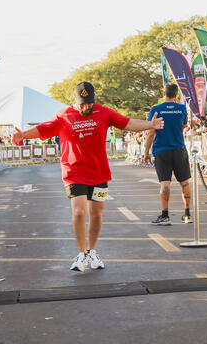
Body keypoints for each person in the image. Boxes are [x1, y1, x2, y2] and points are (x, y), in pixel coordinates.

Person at [12, 81, 164, 272]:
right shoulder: (64, 115)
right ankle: (81, 253)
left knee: (96, 214)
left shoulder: (104, 112)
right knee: (79, 212)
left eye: (89, 103)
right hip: (74, 172)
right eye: (82, 104)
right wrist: (23, 135)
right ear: (75, 101)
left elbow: (127, 123)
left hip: (99, 172)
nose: (86, 107)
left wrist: (150, 124)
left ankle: (92, 251)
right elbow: (43, 128)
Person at [143, 83, 192, 225]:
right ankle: (187, 214)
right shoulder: (182, 108)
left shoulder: (156, 109)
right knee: (184, 182)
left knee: (165, 183)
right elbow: (183, 126)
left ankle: (165, 215)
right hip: (179, 149)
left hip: (162, 149)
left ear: (164, 93)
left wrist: (146, 152)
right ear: (176, 95)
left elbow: (151, 132)